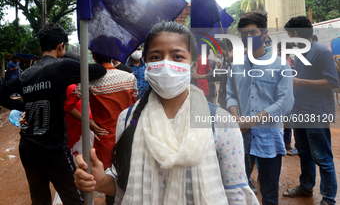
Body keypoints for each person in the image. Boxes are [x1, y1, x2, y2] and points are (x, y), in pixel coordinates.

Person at [74, 21, 259, 205]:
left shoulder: (221, 124)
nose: (166, 64)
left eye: (177, 56)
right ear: (146, 63)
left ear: (193, 66)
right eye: (156, 57)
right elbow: (124, 184)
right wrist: (100, 181)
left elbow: (236, 195)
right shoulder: (127, 119)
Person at [0, 23, 107, 205]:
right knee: (74, 198)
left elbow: (1, 93)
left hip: (28, 147)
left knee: (39, 199)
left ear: (41, 48)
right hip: (53, 148)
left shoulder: (25, 74)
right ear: (61, 46)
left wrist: (25, 106)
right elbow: (99, 71)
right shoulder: (61, 66)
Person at [227, 11, 294, 205]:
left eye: (253, 32)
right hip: (240, 137)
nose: (248, 38)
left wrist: (252, 121)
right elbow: (230, 95)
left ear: (264, 34)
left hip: (269, 138)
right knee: (238, 188)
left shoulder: (281, 65)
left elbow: (285, 102)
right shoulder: (235, 66)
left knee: (269, 192)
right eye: (244, 34)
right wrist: (237, 119)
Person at [282, 16, 339, 205]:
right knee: (304, 154)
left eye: (289, 35)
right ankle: (306, 188)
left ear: (296, 34)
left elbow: (333, 82)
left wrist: (300, 82)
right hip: (299, 113)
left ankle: (329, 199)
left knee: (322, 157)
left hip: (316, 113)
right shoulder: (299, 54)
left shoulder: (321, 51)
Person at [70, 51, 138, 205]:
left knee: (107, 177)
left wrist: (91, 124)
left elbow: (68, 106)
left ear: (94, 57)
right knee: (129, 173)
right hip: (128, 135)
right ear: (112, 57)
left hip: (104, 138)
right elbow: (134, 103)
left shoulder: (88, 81)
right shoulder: (129, 77)